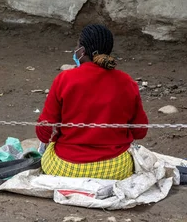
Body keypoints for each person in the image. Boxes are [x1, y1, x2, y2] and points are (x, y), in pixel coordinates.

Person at [36, 24, 148, 180]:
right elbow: (140, 132)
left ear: (82, 51)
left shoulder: (64, 79)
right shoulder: (127, 82)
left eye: (77, 46)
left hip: (65, 167)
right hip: (114, 169)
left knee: (48, 153)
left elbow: (43, 132)